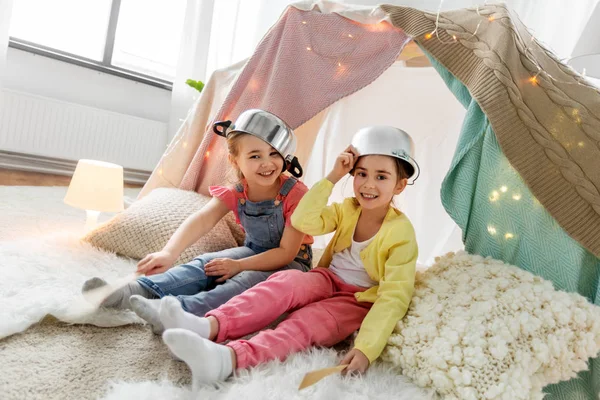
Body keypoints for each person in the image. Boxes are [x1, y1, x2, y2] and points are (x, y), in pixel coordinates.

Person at [153, 126, 420, 389]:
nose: (369, 184)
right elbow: (304, 220)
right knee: (284, 282)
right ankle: (208, 326)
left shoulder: (401, 234)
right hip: (326, 279)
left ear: (400, 185)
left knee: (307, 323)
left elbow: (394, 297)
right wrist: (332, 177)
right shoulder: (346, 209)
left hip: (356, 300)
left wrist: (366, 349)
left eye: (382, 177)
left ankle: (228, 359)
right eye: (361, 174)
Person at [81, 109, 313, 334]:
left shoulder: (296, 194)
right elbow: (202, 220)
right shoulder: (237, 191)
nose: (267, 163)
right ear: (235, 161)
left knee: (244, 280)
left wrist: (239, 266)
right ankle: (134, 291)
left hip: (292, 263)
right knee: (206, 263)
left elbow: (285, 253)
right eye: (255, 156)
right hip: (253, 250)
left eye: (274, 154)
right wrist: (169, 253)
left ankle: (179, 312)